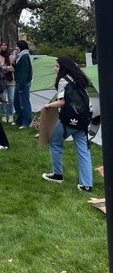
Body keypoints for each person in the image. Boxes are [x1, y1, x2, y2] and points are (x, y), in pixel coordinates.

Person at [42, 56, 93, 192]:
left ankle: (57, 174)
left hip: (69, 119)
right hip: (84, 118)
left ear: (63, 68)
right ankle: (87, 184)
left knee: (55, 141)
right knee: (83, 150)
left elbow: (62, 101)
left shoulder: (63, 80)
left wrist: (48, 105)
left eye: (57, 66)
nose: (55, 69)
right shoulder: (79, 78)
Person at [13, 40, 33, 129]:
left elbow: (24, 72)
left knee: (24, 103)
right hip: (18, 82)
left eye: (17, 46)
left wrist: (21, 86)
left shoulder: (25, 56)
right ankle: (20, 120)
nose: (15, 48)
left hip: (23, 83)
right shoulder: (20, 56)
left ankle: (26, 122)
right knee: (16, 102)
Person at [0, 41, 15, 123]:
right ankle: (4, 114)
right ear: (0, 46)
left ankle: (11, 115)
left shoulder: (10, 56)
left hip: (10, 80)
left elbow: (13, 68)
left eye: (5, 45)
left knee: (11, 98)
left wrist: (9, 68)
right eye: (2, 45)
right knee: (2, 98)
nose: (3, 47)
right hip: (1, 80)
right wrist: (4, 68)